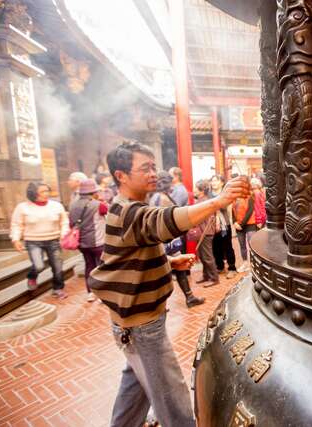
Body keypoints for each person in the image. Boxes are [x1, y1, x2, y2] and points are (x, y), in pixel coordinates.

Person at [89, 142, 249, 427]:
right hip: (141, 325)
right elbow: (165, 221)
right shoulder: (125, 210)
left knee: (134, 388)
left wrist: (168, 261)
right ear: (121, 175)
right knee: (173, 402)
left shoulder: (131, 207)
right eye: (144, 169)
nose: (153, 173)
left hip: (134, 323)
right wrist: (217, 201)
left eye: (153, 167)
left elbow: (128, 256)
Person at [150, 171, 205, 308]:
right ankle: (188, 297)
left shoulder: (154, 197)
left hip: (162, 239)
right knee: (175, 268)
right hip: (168, 239)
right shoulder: (162, 197)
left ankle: (166, 302)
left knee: (165, 269)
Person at [10, 182, 69, 298]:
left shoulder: (56, 206)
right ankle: (32, 276)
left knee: (57, 266)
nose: (46, 193)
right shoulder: (22, 207)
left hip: (53, 240)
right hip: (33, 241)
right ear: (33, 193)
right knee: (39, 266)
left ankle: (58, 288)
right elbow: (16, 224)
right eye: (42, 191)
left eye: (47, 191)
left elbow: (64, 222)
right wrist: (15, 239)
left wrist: (63, 234)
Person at [69, 178, 108, 302]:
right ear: (93, 192)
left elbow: (71, 223)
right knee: (101, 267)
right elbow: (109, 212)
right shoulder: (99, 205)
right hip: (98, 241)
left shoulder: (73, 205)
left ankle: (90, 292)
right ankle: (102, 294)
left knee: (89, 266)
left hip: (82, 243)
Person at [209, 175, 237, 279]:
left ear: (221, 183)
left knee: (227, 247)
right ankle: (220, 266)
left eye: (216, 180)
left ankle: (232, 268)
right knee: (215, 247)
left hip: (224, 224)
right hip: (211, 224)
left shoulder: (225, 194)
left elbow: (224, 206)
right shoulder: (209, 194)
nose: (214, 183)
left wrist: (214, 205)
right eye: (212, 181)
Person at [195, 180, 219, 286]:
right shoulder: (202, 200)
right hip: (201, 232)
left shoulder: (204, 201)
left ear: (201, 190)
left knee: (207, 256)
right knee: (202, 255)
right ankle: (206, 275)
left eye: (195, 188)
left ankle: (214, 279)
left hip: (205, 232)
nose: (194, 190)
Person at [232, 184, 257, 272]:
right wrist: (234, 222)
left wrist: (241, 225)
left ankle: (254, 264)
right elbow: (233, 211)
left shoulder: (250, 196)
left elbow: (250, 211)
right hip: (238, 225)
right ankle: (245, 263)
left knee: (252, 245)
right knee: (242, 246)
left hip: (250, 224)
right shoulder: (235, 198)